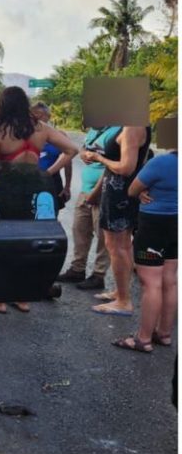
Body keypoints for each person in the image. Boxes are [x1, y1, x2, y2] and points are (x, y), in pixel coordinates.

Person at [0, 87, 78, 312]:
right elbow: (72, 150)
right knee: (26, 243)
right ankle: (21, 297)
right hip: (32, 190)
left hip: (6, 192)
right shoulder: (40, 128)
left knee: (2, 243)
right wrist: (48, 172)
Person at [82, 123, 152, 315]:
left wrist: (98, 158)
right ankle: (121, 292)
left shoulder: (132, 127)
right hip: (118, 192)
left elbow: (126, 168)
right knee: (123, 247)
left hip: (120, 194)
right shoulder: (129, 125)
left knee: (117, 247)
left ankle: (123, 301)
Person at [114, 146, 176, 352]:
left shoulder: (161, 162)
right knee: (170, 280)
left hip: (155, 224)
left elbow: (132, 189)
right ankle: (164, 334)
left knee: (151, 283)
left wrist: (141, 192)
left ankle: (143, 339)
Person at [59, 125, 121, 288]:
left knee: (102, 235)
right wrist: (82, 153)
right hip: (85, 189)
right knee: (79, 229)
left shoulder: (119, 131)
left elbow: (113, 166)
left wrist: (96, 192)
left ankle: (98, 274)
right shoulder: (95, 129)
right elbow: (85, 146)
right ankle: (77, 269)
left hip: (104, 190)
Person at [32, 102, 73, 206]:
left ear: (48, 116)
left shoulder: (59, 135)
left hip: (52, 181)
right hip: (31, 181)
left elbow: (68, 162)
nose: (38, 118)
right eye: (35, 115)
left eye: (41, 115)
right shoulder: (25, 135)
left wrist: (67, 186)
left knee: (52, 212)